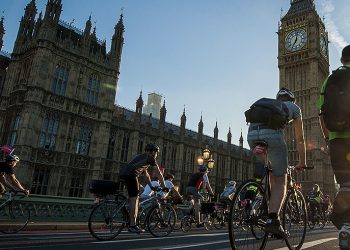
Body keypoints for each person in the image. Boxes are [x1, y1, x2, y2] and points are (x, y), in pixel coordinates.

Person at [247, 87, 307, 238]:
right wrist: (302, 161)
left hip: (252, 137)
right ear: (291, 99)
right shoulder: (294, 107)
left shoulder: (269, 105)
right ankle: (273, 220)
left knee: (271, 171)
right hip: (272, 138)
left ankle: (262, 208)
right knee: (281, 180)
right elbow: (300, 139)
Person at [317, 44, 350, 249]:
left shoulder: (329, 79)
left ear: (340, 60)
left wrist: (329, 140)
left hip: (337, 140)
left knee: (346, 184)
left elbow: (321, 114)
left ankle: (345, 226)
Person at [119, 143, 168, 233]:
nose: (156, 155)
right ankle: (132, 225)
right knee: (134, 199)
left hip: (123, 174)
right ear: (154, 152)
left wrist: (151, 187)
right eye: (156, 153)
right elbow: (158, 173)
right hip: (131, 175)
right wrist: (164, 186)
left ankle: (128, 209)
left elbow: (146, 175)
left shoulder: (141, 157)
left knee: (140, 189)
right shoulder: (150, 158)